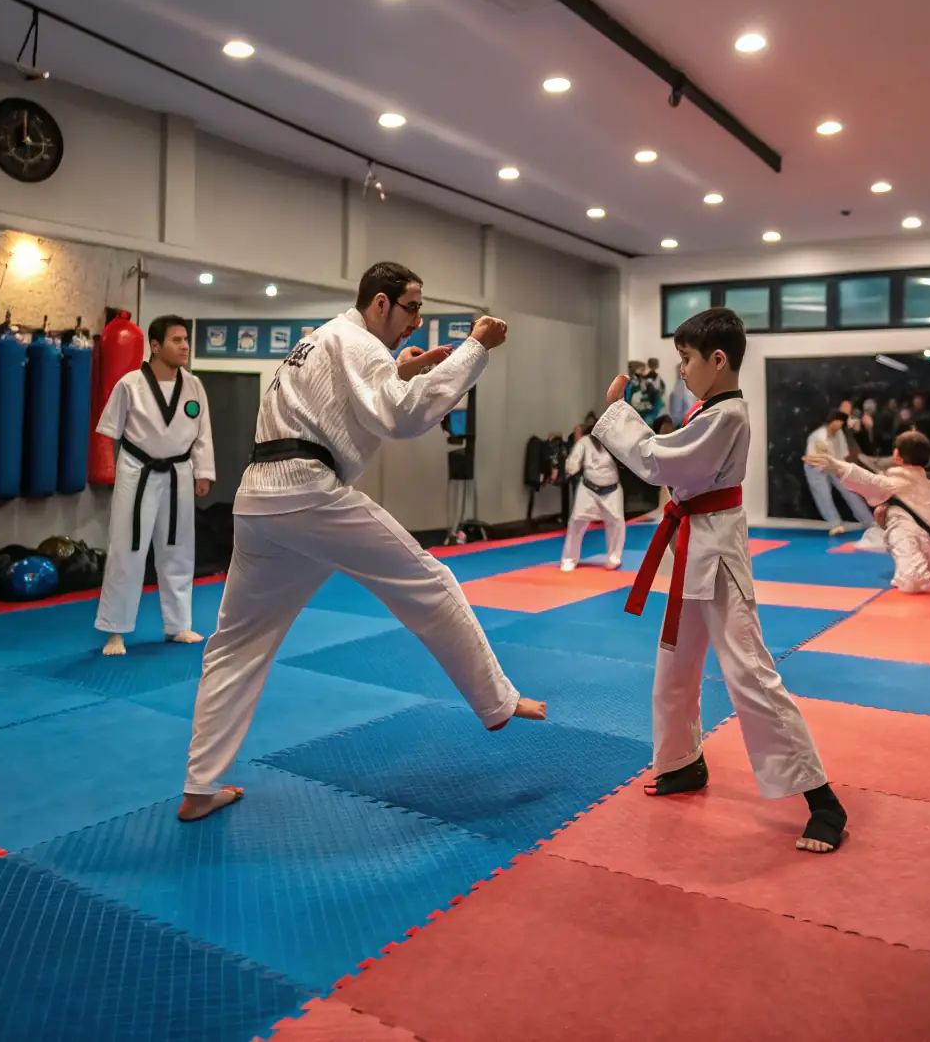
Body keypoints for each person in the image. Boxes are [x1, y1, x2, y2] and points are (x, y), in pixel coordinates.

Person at [178, 261, 546, 822]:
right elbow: (403, 416)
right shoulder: (357, 342)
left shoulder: (321, 338)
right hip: (307, 492)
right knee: (429, 578)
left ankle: (199, 786)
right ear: (379, 303)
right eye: (412, 307)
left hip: (257, 499)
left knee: (235, 644)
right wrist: (475, 348)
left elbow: (363, 399)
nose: (417, 321)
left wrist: (400, 370)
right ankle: (497, 700)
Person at [594, 307, 847, 853]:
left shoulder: (726, 415)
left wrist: (617, 414)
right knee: (674, 667)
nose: (681, 370)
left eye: (686, 360)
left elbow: (661, 463)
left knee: (750, 673)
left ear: (718, 359)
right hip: (695, 546)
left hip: (717, 554)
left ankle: (823, 799)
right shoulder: (710, 410)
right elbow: (670, 464)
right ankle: (683, 762)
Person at [94, 316, 214, 656]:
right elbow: (108, 432)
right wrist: (109, 468)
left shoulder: (193, 386)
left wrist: (203, 472)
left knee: (179, 549)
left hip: (179, 472)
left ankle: (178, 625)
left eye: (186, 340)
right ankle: (115, 631)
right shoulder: (130, 384)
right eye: (177, 340)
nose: (185, 346)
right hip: (138, 470)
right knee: (127, 549)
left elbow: (202, 434)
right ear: (156, 346)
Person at [804, 430, 930, 593]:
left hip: (912, 547)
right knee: (892, 513)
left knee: (897, 521)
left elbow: (868, 480)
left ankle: (913, 571)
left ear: (897, 456)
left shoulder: (894, 483)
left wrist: (836, 466)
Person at [560, 416, 625, 572]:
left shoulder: (613, 442)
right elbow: (572, 465)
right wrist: (572, 465)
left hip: (612, 490)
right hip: (588, 489)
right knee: (577, 521)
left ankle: (614, 557)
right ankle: (569, 558)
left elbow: (626, 461)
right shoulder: (583, 443)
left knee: (616, 522)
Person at [803, 412, 876, 535]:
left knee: (850, 491)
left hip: (834, 464)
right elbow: (810, 458)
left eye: (842, 422)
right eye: (838, 421)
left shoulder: (839, 434)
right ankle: (835, 524)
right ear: (831, 421)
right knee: (823, 495)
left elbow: (842, 455)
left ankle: (869, 522)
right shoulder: (817, 436)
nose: (840, 425)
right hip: (815, 466)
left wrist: (843, 470)